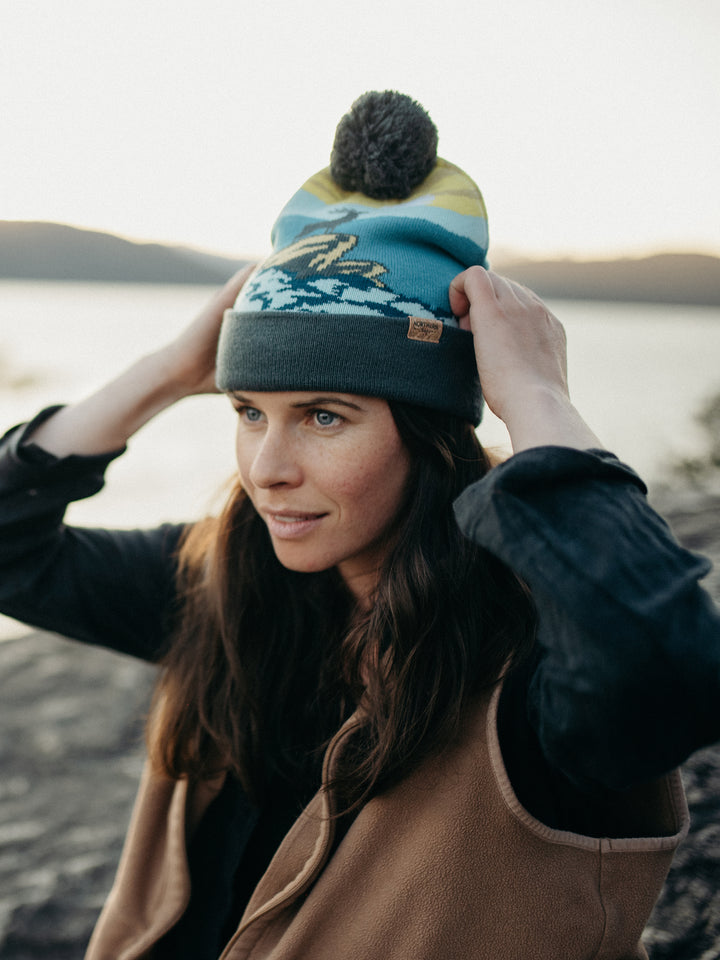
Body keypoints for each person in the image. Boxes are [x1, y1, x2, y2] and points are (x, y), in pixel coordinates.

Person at [0, 91, 719, 960]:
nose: (268, 467)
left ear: (427, 434)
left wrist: (534, 397)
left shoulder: (526, 673)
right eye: (248, 411)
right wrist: (164, 370)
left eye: (325, 416)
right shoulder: (232, 584)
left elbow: (663, 665)